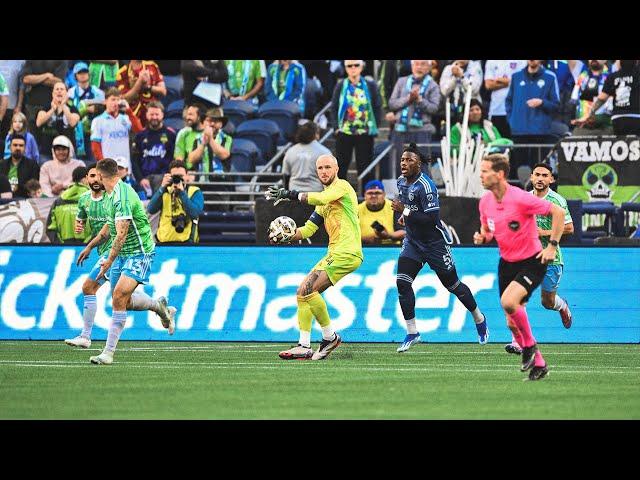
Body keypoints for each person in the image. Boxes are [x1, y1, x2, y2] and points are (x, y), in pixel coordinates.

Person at [474, 153, 566, 381]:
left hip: (532, 261)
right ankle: (540, 363)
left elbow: (558, 213)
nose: (481, 175)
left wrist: (552, 246)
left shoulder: (521, 198)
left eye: (486, 171)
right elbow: (488, 231)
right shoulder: (484, 202)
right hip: (507, 263)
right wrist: (482, 238)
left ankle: (529, 348)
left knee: (508, 302)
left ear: (500, 174)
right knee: (511, 322)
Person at [66, 163, 176, 350]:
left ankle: (100, 346)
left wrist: (108, 261)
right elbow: (108, 228)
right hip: (116, 252)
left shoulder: (121, 196)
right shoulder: (96, 197)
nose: (93, 180)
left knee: (106, 292)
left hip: (131, 252)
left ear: (101, 176)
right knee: (119, 299)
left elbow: (121, 233)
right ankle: (158, 306)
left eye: (96, 175)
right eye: (89, 176)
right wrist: (90, 246)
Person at [265, 154, 363, 361]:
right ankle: (305, 344)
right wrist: (286, 237)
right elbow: (308, 230)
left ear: (336, 168)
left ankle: (330, 337)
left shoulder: (342, 187)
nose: (324, 171)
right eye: (320, 168)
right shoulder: (324, 199)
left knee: (308, 289)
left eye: (328, 167)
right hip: (336, 253)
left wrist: (291, 194)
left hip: (346, 251)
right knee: (303, 293)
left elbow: (322, 198)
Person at [392, 143, 489, 351]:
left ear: (419, 165)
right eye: (402, 160)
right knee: (402, 283)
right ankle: (412, 332)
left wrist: (405, 211)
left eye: (410, 160)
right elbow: (409, 210)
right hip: (413, 243)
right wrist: (404, 216)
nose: (404, 163)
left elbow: (430, 219)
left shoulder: (426, 186)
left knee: (453, 286)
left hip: (434, 244)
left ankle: (479, 318)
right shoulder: (401, 182)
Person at [505, 60, 560, 179]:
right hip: (519, 131)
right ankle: (520, 196)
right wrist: (512, 120)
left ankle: (537, 197)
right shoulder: (516, 77)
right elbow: (508, 101)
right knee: (519, 169)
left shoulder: (550, 77)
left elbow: (556, 105)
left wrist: (542, 102)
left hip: (540, 132)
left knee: (538, 169)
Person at [331, 60, 382, 186]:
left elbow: (377, 106)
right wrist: (336, 127)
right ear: (345, 68)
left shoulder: (370, 85)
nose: (353, 68)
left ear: (362, 67)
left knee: (365, 167)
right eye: (349, 66)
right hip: (344, 131)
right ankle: (341, 196)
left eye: (356, 65)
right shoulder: (341, 85)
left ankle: (366, 197)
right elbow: (334, 107)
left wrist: (375, 127)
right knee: (341, 166)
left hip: (364, 132)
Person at [388, 60, 442, 169]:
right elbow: (392, 104)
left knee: (421, 168)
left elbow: (434, 108)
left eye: (423, 64)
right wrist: (408, 99)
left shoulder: (433, 85)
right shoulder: (401, 81)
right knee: (400, 168)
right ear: (412, 66)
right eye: (416, 64)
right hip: (400, 130)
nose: (419, 67)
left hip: (422, 131)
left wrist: (420, 100)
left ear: (429, 67)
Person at [574, 60, 640, 135]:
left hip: (618, 119)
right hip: (636, 117)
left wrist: (588, 115)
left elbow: (601, 99)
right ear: (637, 62)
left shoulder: (612, 76)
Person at [147, 160, 204, 243]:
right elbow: (151, 209)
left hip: (187, 243)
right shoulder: (164, 191)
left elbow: (195, 213)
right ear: (169, 176)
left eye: (181, 176)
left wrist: (182, 193)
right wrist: (162, 187)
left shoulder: (194, 192)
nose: (178, 179)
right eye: (175, 176)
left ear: (187, 176)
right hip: (164, 242)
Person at [90, 87, 144, 172]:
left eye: (118, 100)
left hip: (126, 168)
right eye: (113, 99)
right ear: (105, 101)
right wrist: (103, 165)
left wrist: (129, 111)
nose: (115, 103)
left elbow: (140, 132)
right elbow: (95, 147)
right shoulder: (97, 121)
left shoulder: (126, 118)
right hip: (108, 168)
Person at [131, 101, 176, 195]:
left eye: (157, 114)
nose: (154, 117)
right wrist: (140, 179)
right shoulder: (140, 136)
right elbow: (134, 161)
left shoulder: (171, 134)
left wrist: (169, 177)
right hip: (145, 179)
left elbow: (174, 159)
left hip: (164, 178)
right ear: (146, 115)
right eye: (151, 114)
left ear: (162, 115)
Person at [67, 62, 105, 161]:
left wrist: (95, 109)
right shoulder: (70, 93)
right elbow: (69, 110)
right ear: (75, 75)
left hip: (94, 131)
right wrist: (85, 109)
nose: (83, 75)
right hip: (76, 132)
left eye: (85, 72)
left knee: (93, 161)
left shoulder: (98, 92)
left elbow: (104, 108)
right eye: (80, 73)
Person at [35, 81, 80, 158]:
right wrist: (52, 110)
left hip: (67, 151)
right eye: (57, 89)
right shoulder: (46, 108)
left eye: (62, 89)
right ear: (52, 94)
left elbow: (72, 122)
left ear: (66, 93)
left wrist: (63, 106)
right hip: (47, 151)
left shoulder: (73, 109)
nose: (59, 91)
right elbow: (39, 122)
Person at [282, 121, 331, 192]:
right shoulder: (324, 152)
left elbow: (285, 176)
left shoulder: (290, 151)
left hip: (294, 193)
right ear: (316, 134)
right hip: (316, 193)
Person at [46, 165, 90, 243]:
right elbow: (100, 227)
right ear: (85, 179)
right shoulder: (94, 200)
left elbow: (50, 228)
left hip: (64, 251)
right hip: (89, 251)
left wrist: (60, 245)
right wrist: (89, 245)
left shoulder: (58, 202)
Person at [483, 60, 527, 137]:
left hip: (516, 110)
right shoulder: (491, 61)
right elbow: (488, 85)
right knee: (499, 144)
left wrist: (502, 81)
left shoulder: (522, 61)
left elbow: (523, 81)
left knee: (516, 144)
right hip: (497, 110)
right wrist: (509, 82)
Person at [116, 60, 166, 126]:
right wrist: (139, 82)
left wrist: (148, 87)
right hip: (133, 115)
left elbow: (163, 91)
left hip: (152, 113)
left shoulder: (152, 66)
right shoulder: (122, 72)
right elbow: (125, 99)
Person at [358, 179, 405, 245]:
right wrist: (366, 239)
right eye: (370, 193)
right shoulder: (356, 210)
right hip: (363, 248)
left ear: (384, 194)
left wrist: (388, 235)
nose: (374, 196)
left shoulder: (395, 207)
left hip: (391, 248)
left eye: (377, 193)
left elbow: (405, 232)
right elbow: (348, 234)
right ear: (364, 195)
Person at [0, 60, 26, 159]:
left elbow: (22, 86)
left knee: (7, 139)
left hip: (11, 107)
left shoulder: (20, 62)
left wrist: (19, 105)